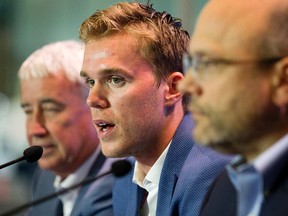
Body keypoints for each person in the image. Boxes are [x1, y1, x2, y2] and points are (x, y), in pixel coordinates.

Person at [79, 2, 233, 215]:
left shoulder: (211, 175)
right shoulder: (126, 176)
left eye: (115, 80)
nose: (92, 99)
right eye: (90, 82)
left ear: (173, 88)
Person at [178, 0, 288, 215]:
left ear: (282, 80)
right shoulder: (226, 186)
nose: (186, 85)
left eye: (207, 63)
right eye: (192, 63)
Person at [18, 40, 116, 216]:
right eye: (28, 111)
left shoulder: (118, 182)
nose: (35, 129)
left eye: (50, 110)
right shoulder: (48, 175)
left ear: (93, 106)